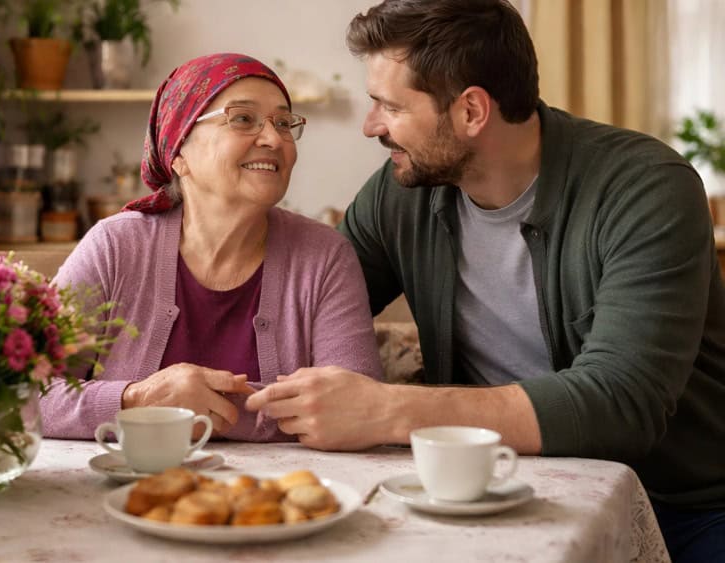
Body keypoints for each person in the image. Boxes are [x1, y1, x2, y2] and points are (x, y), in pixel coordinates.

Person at [244, 1, 725, 560]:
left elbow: (620, 403)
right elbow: (295, 317)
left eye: (389, 106)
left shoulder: (645, 189)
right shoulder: (399, 194)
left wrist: (388, 409)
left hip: (686, 506)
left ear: (472, 111)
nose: (371, 125)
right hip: (488, 488)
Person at [41, 53, 382, 443]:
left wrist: (186, 411)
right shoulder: (115, 246)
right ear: (179, 153)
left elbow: (359, 410)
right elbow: (22, 395)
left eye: (284, 123)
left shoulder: (324, 257)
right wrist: (136, 400)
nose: (273, 138)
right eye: (242, 119)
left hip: (277, 495)